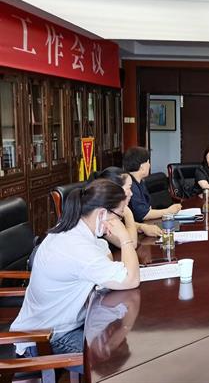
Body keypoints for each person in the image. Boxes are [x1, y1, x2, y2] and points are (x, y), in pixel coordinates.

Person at [10, 179, 140, 366]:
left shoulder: (74, 230)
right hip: (47, 338)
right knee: (111, 361)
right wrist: (125, 238)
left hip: (65, 323)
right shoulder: (77, 246)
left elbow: (107, 257)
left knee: (120, 339)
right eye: (119, 216)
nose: (119, 222)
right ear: (102, 213)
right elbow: (131, 279)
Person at [96, 166, 163, 246]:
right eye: (129, 188)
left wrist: (141, 227)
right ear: (116, 190)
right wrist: (128, 213)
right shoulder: (104, 215)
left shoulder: (111, 208)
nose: (131, 193)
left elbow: (123, 225)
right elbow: (131, 244)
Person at [122, 146, 181, 222]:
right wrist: (168, 211)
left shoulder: (139, 182)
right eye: (148, 162)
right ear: (142, 167)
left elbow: (148, 208)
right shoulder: (131, 186)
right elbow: (143, 214)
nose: (149, 165)